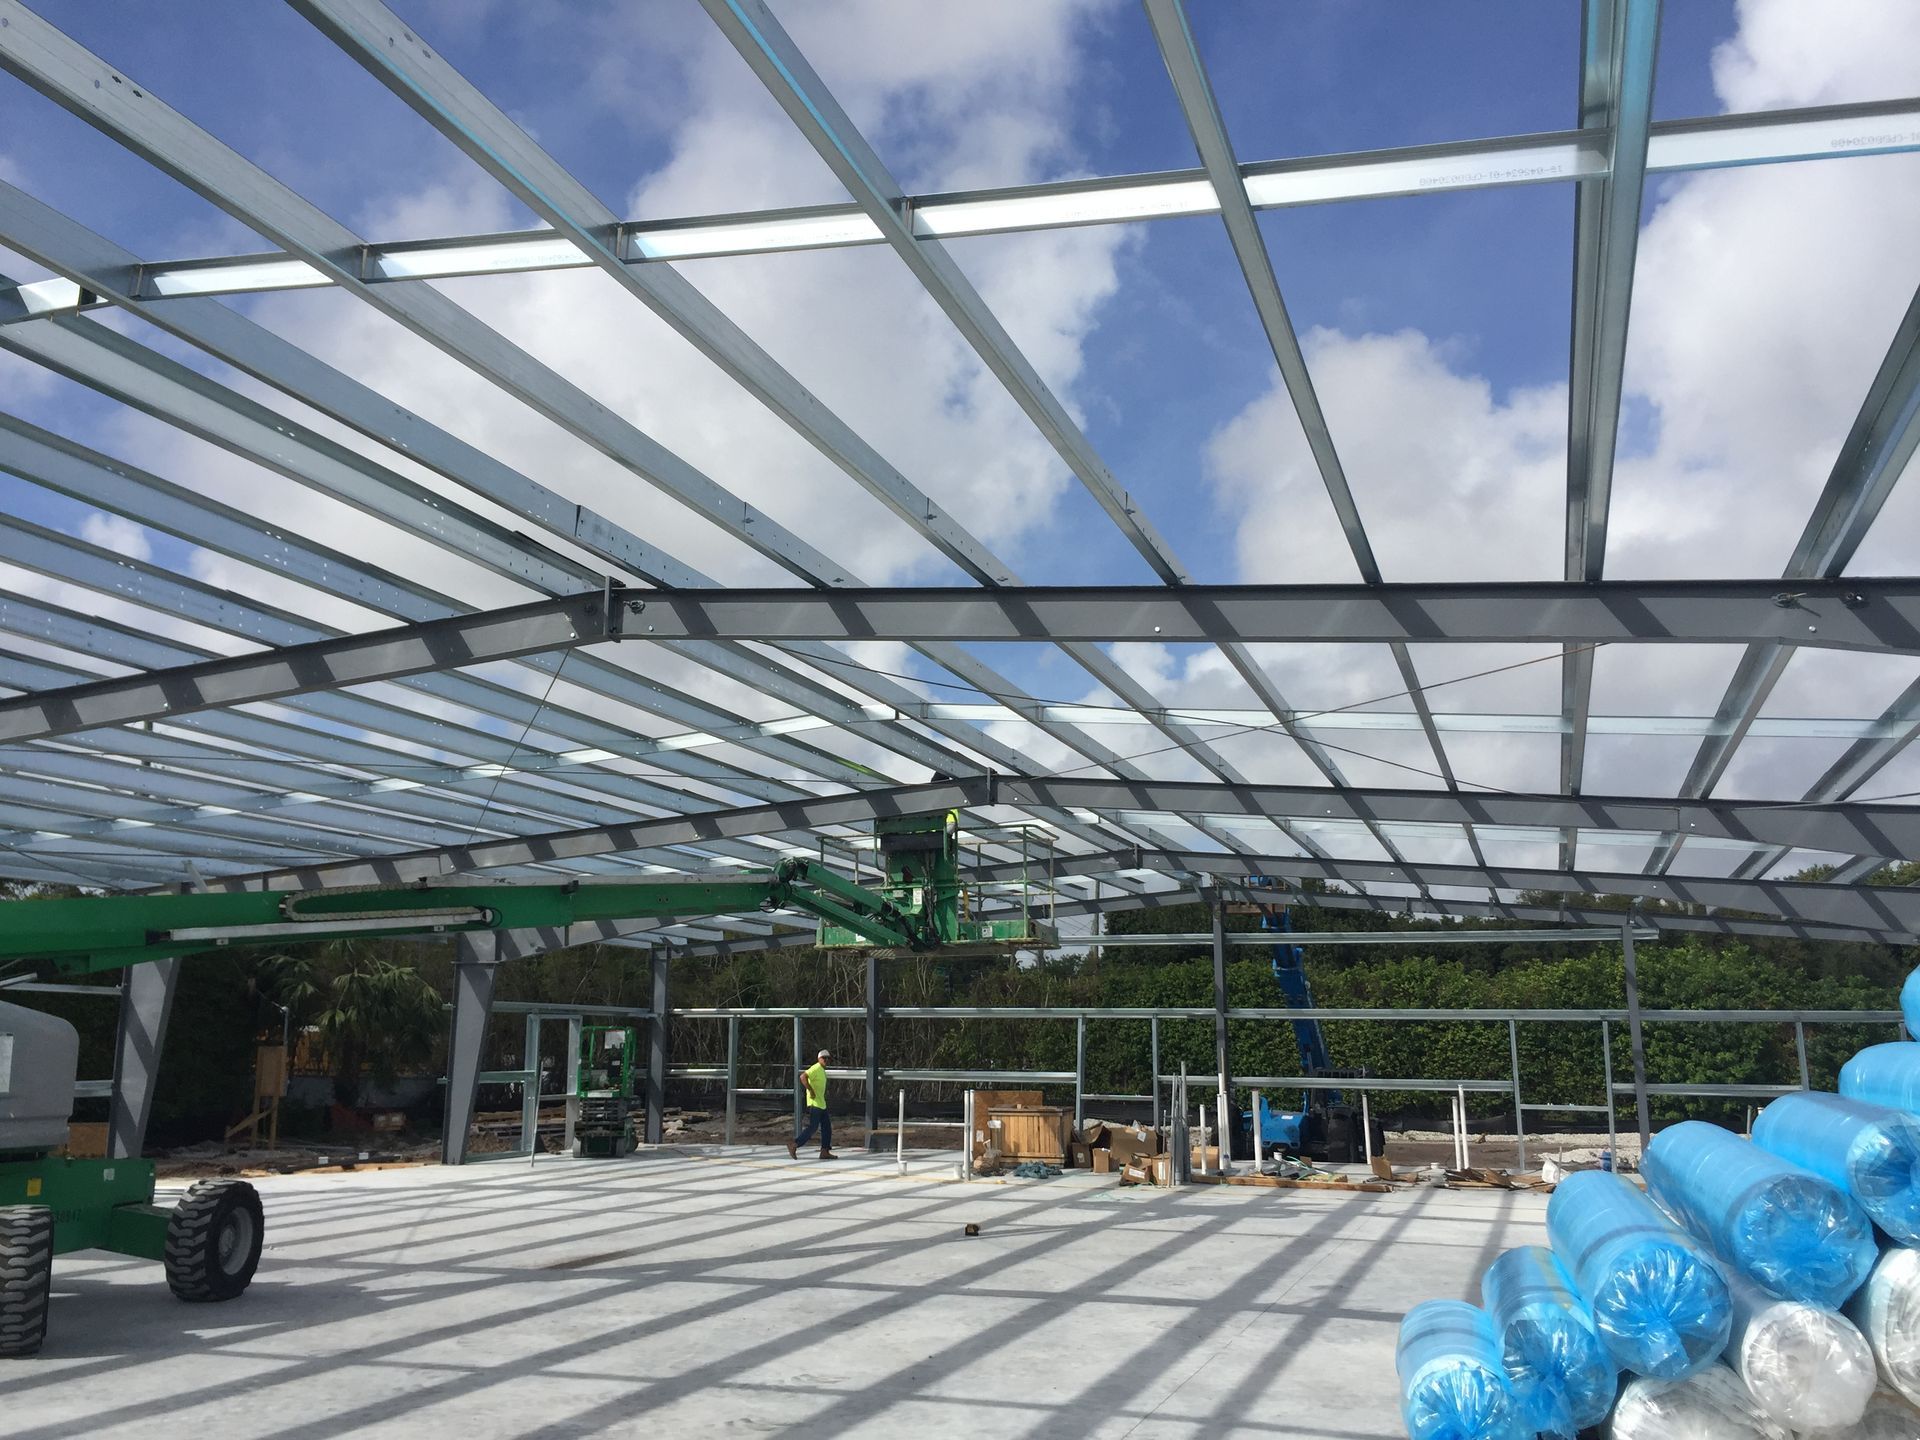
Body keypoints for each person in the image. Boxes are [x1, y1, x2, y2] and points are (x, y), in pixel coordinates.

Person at [788, 1049, 837, 1160]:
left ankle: (824, 1151)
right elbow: (803, 1077)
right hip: (815, 1103)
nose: (826, 1060)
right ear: (819, 1059)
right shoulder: (816, 1068)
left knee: (827, 1128)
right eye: (824, 1058)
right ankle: (794, 1145)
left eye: (828, 1058)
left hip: (821, 1104)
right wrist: (810, 1090)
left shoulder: (822, 1070)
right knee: (813, 1127)